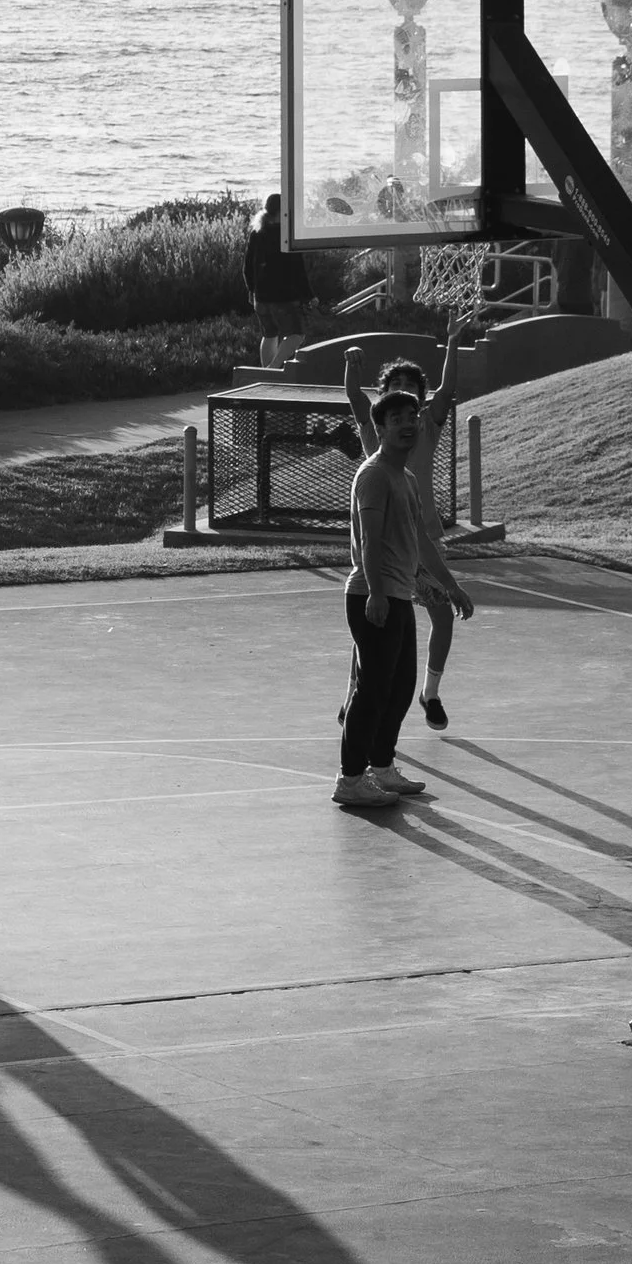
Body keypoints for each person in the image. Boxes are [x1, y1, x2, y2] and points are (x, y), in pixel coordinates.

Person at [341, 321, 478, 730]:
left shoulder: (424, 426)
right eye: (394, 385)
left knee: (443, 616)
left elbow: (448, 389)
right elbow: (354, 395)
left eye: (411, 387)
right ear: (383, 400)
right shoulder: (376, 430)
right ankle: (353, 695)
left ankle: (430, 693)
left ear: (420, 399)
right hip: (384, 544)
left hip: (422, 537)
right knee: (373, 625)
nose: (403, 390)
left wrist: (452, 341)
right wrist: (352, 365)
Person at [336, 377, 435, 813]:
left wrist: (444, 584)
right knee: (373, 689)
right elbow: (370, 540)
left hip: (397, 594)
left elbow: (418, 539)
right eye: (397, 419)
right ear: (380, 429)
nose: (408, 424)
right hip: (372, 595)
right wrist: (376, 592)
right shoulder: (375, 475)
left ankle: (381, 766)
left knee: (399, 689)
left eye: (412, 416)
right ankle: (350, 779)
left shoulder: (406, 477)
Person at [244, 192, 312, 370]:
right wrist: (309, 295)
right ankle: (273, 367)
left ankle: (267, 376)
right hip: (283, 297)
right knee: (297, 335)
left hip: (261, 297)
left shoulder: (257, 232)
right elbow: (297, 270)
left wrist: (251, 290)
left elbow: (248, 266)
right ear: (283, 211)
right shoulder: (287, 235)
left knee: (269, 335)